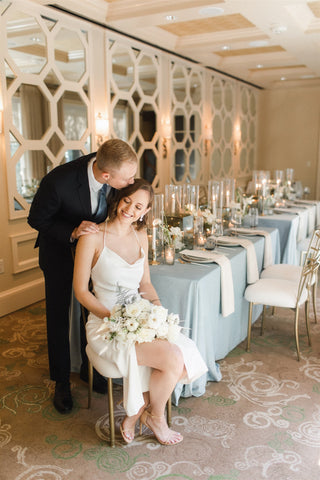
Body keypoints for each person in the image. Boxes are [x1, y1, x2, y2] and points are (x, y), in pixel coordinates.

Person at [73, 178, 208, 446]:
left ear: (145, 211)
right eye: (126, 201)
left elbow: (144, 284)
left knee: (183, 357)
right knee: (172, 357)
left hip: (140, 314)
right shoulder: (92, 237)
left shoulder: (139, 236)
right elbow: (81, 292)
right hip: (105, 322)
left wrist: (158, 313)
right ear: (116, 199)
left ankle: (138, 414)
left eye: (138, 206)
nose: (130, 210)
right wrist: (114, 318)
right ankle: (154, 416)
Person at [28, 139, 138, 414]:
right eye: (128, 178)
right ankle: (61, 382)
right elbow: (37, 220)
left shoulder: (110, 164)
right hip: (59, 254)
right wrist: (73, 231)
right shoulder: (58, 182)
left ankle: (91, 369)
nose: (132, 181)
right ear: (106, 176)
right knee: (59, 317)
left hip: (96, 256)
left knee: (91, 311)